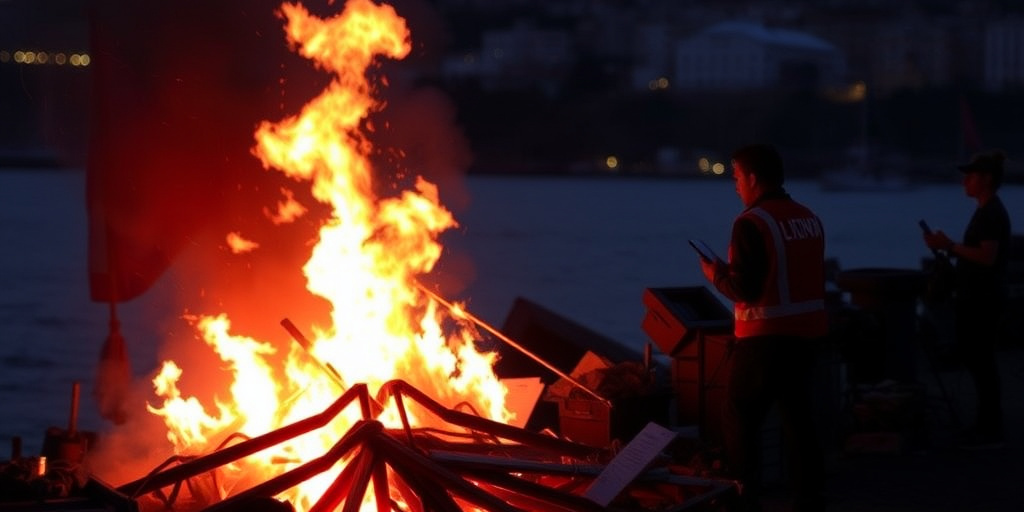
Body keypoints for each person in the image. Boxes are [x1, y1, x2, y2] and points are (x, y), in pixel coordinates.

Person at [698, 144, 828, 512]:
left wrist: (715, 275)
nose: (736, 186)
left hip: (764, 341)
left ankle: (742, 496)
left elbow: (744, 289)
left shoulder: (751, 222)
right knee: (798, 419)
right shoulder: (807, 217)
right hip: (809, 337)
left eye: (737, 177)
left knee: (739, 418)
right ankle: (809, 497)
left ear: (753, 178)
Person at [922, 149, 1011, 448]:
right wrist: (948, 248)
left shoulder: (990, 213)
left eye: (970, 177)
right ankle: (986, 423)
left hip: (983, 300)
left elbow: (987, 256)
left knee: (981, 362)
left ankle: (990, 427)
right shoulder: (987, 210)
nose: (965, 183)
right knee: (979, 361)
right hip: (977, 297)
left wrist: (949, 245)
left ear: (985, 179)